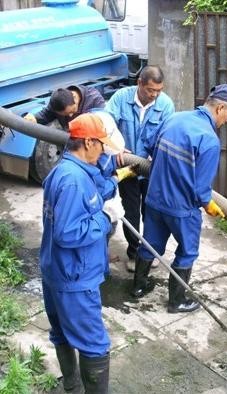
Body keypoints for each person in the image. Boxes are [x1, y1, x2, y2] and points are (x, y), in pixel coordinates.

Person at [131, 84, 227, 314]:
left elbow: (149, 144)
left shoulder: (174, 118)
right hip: (181, 209)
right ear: (221, 108)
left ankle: (138, 286)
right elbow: (201, 189)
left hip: (154, 199)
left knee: (151, 242)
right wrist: (208, 204)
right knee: (187, 251)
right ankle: (177, 301)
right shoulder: (209, 140)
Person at [39, 113, 123, 393]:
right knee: (94, 343)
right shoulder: (74, 181)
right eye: (101, 145)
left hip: (55, 269)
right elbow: (69, 233)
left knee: (61, 332)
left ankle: (72, 386)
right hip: (74, 277)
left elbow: (91, 193)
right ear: (87, 142)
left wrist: (113, 181)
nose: (103, 151)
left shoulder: (63, 171)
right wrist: (106, 219)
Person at [105, 65, 175, 272]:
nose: (154, 95)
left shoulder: (165, 104)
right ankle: (134, 253)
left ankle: (150, 252)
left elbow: (168, 133)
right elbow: (107, 125)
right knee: (132, 211)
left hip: (152, 169)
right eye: (150, 90)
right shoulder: (120, 98)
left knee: (151, 213)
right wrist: (116, 146)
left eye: (158, 91)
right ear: (140, 84)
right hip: (126, 168)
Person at [24, 85, 105, 129]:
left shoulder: (95, 100)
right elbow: (46, 114)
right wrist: (34, 118)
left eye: (72, 111)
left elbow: (105, 125)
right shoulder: (58, 101)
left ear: (74, 97)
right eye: (65, 115)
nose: (70, 116)